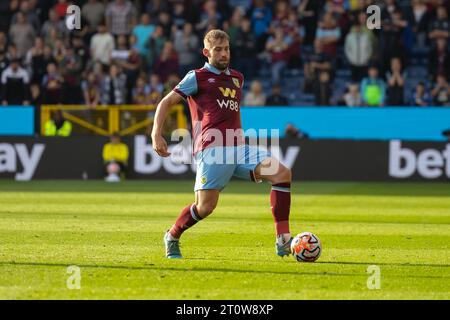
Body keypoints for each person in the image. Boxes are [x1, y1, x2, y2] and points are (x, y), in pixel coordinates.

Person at [151, 29, 293, 259]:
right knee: (205, 207)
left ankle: (283, 240)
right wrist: (156, 134)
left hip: (239, 148)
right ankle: (172, 235)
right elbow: (166, 103)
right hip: (213, 149)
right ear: (206, 52)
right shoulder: (195, 77)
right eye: (218, 49)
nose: (224, 53)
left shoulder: (237, 77)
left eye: (226, 48)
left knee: (282, 174)